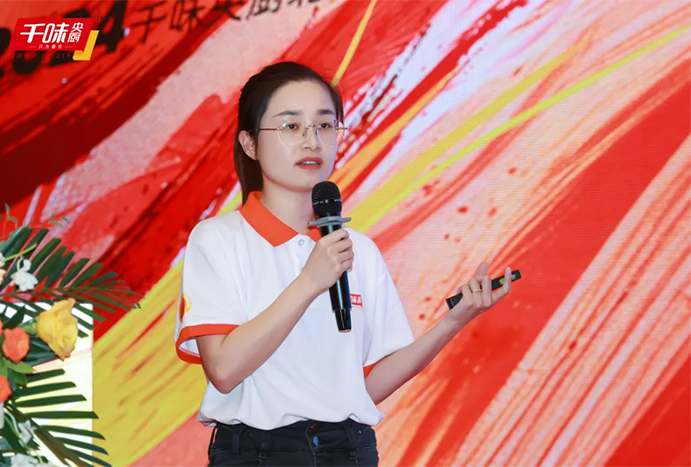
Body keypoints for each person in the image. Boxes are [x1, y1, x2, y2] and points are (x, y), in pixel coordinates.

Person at [174, 61, 513, 466]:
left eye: (324, 125)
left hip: (348, 451)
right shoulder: (219, 239)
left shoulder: (359, 250)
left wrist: (453, 322)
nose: (312, 141)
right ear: (250, 144)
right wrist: (310, 281)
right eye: (291, 126)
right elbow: (224, 370)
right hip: (258, 454)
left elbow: (361, 391)